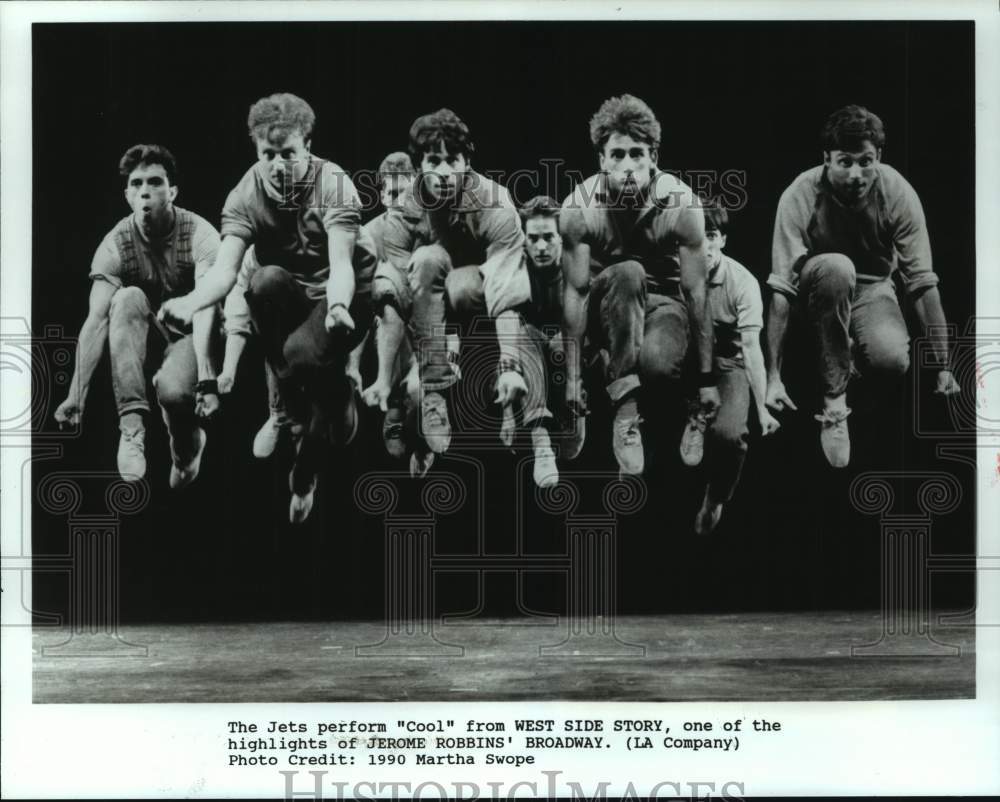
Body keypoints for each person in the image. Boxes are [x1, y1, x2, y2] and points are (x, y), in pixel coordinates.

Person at [159, 92, 376, 522]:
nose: (278, 166)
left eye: (289, 154)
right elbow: (225, 272)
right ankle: (310, 400)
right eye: (268, 155)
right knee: (263, 281)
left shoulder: (334, 183)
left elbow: (341, 265)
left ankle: (304, 477)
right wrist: (190, 300)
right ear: (257, 152)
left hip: (343, 298)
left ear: (308, 149)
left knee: (303, 361)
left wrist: (336, 308)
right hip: (291, 298)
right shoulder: (245, 193)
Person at [765, 104, 960, 467]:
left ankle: (848, 352)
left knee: (892, 361)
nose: (856, 174)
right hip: (818, 290)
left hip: (872, 290)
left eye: (865, 161)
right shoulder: (801, 193)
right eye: (845, 162)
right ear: (826, 159)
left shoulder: (897, 191)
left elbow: (921, 282)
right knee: (838, 267)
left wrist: (944, 364)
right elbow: (781, 288)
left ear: (878, 157)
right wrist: (772, 376)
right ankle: (834, 401)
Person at [381, 108, 556, 486]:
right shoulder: (403, 213)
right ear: (419, 165)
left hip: (481, 297)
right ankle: (426, 409)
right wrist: (415, 370)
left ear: (467, 161)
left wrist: (509, 363)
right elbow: (400, 297)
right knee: (426, 260)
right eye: (433, 161)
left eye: (452, 161)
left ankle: (541, 436)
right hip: (430, 317)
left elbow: (507, 291)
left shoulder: (495, 202)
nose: (443, 172)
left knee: (496, 316)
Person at [559, 94, 718, 476]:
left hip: (662, 302)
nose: (627, 166)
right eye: (617, 155)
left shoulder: (682, 205)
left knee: (660, 368)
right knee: (628, 272)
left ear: (654, 158)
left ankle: (651, 398)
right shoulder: (579, 208)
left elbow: (697, 293)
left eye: (636, 154)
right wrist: (573, 378)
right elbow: (576, 293)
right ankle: (624, 414)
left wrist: (707, 380)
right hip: (604, 305)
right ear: (601, 159)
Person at [54, 144, 222, 488]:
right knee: (126, 297)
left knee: (173, 396)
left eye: (156, 182)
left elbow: (208, 307)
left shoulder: (202, 235)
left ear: (172, 191)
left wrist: (207, 380)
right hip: (142, 341)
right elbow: (96, 321)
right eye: (137, 183)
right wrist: (76, 395)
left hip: (194, 338)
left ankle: (187, 448)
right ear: (127, 195)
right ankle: (131, 429)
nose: (146, 190)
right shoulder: (114, 245)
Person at [678, 202, 780, 534]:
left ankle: (715, 498)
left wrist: (763, 406)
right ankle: (691, 414)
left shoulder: (743, 283)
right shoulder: (672, 271)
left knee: (731, 436)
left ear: (722, 239)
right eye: (695, 236)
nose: (703, 245)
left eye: (710, 235)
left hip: (728, 362)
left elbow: (751, 350)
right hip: (687, 356)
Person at [359, 151, 423, 465]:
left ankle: (409, 409)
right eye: (393, 193)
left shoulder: (433, 227)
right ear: (383, 196)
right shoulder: (369, 235)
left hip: (429, 320)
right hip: (385, 323)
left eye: (408, 193)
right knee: (387, 304)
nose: (400, 201)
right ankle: (398, 403)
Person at [518, 195, 585, 465]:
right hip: (529, 358)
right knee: (520, 333)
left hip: (570, 357)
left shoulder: (579, 266)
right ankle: (539, 435)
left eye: (549, 237)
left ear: (561, 237)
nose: (542, 246)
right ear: (523, 240)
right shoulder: (514, 269)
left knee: (564, 342)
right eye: (533, 239)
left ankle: (571, 414)